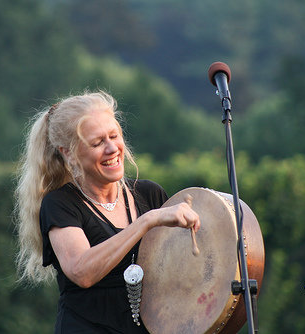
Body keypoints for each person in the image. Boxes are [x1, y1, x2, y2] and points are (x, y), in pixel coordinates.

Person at [15, 91, 200, 333]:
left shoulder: (149, 194)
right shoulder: (60, 203)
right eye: (97, 142)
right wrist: (146, 222)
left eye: (114, 136)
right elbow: (82, 271)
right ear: (68, 153)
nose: (112, 148)